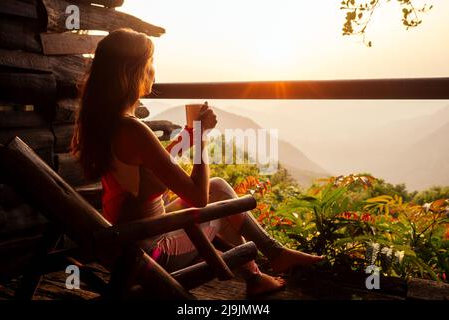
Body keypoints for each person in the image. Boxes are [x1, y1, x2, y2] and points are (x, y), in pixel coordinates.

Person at [71, 28, 324, 297]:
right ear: (134, 71)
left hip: (129, 239)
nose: (154, 70)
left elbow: (153, 165)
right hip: (150, 253)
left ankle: (266, 265)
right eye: (150, 62)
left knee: (217, 186)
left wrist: (189, 135)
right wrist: (202, 137)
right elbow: (198, 197)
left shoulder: (107, 123)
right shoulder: (132, 130)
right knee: (219, 201)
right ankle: (266, 264)